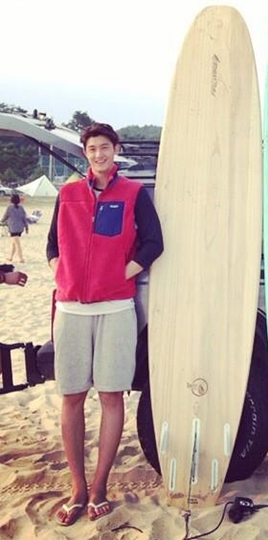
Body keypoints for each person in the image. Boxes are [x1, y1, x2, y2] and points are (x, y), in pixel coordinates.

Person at [46, 123, 164, 526]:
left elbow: (154, 243)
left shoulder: (132, 193)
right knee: (72, 396)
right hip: (71, 311)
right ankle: (77, 488)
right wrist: (61, 273)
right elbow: (52, 244)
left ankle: (99, 487)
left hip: (116, 309)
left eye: (105, 147)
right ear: (86, 153)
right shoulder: (67, 194)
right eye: (92, 148)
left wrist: (120, 275)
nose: (99, 154)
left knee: (112, 396)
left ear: (116, 149)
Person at [1, 194, 29, 263]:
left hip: (13, 228)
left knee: (17, 244)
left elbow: (5, 216)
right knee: (14, 243)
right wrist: (26, 227)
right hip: (20, 228)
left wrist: (1, 221)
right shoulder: (21, 208)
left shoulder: (9, 208)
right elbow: (24, 218)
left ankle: (21, 258)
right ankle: (11, 257)